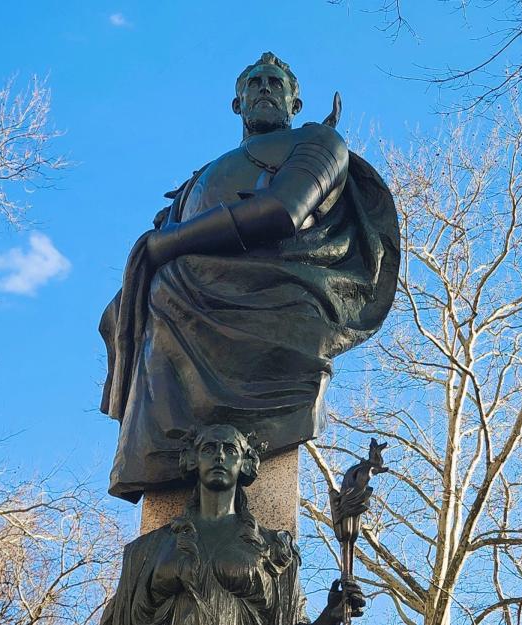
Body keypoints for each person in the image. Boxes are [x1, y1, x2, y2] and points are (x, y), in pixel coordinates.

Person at [99, 52, 399, 502]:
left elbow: (282, 210)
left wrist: (167, 243)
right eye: (254, 83)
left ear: (295, 103)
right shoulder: (201, 177)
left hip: (280, 292)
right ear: (236, 103)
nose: (264, 88)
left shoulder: (317, 142)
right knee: (141, 297)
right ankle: (166, 453)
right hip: (191, 289)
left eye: (275, 83)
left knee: (169, 283)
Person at [99, 424, 366, 625]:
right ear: (193, 460)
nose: (219, 457)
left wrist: (330, 616)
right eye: (209, 449)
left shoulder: (274, 548)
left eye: (229, 450)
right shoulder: (147, 549)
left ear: (245, 463)